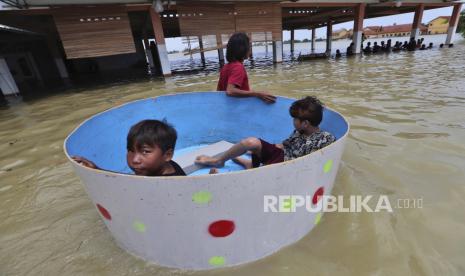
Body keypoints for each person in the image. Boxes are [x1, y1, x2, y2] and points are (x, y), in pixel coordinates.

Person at [195, 96, 336, 170]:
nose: (293, 122)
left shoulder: (325, 139)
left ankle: (250, 165)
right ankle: (219, 161)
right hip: (281, 154)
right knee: (250, 142)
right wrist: (259, 149)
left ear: (305, 123)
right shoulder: (300, 131)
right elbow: (283, 145)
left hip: (287, 167)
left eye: (295, 119)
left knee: (258, 174)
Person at [72, 120, 186, 177]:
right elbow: (129, 181)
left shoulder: (171, 183)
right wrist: (97, 170)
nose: (135, 159)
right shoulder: (153, 169)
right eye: (130, 150)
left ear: (167, 155)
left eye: (145, 151)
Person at [217, 32, 276, 104]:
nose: (250, 49)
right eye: (249, 46)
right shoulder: (238, 67)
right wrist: (257, 94)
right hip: (239, 109)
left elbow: (218, 92)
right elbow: (230, 91)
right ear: (243, 49)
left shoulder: (225, 67)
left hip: (229, 109)